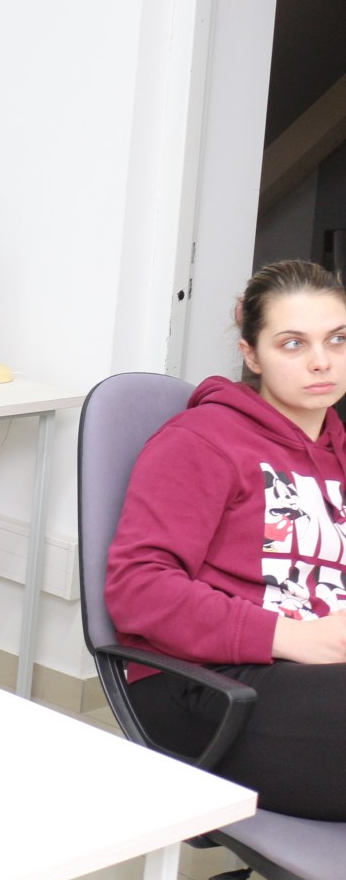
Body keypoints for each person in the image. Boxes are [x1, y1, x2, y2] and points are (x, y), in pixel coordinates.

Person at [105, 259, 346, 821]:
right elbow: (137, 589)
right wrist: (292, 637)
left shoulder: (339, 454)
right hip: (210, 686)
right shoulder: (202, 441)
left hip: (319, 683)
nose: (321, 360)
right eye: (292, 343)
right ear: (251, 354)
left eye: (337, 339)